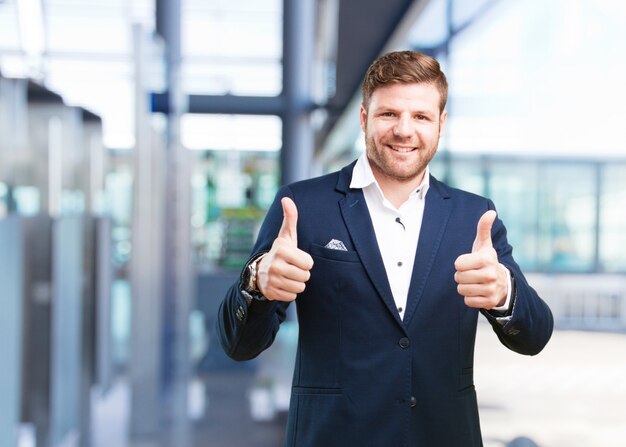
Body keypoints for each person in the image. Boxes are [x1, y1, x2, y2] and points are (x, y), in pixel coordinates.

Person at [217, 50, 553, 446]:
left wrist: (504, 294)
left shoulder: (474, 218)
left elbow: (534, 337)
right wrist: (256, 282)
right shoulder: (303, 206)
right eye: (389, 114)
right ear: (364, 118)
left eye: (421, 117)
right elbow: (238, 345)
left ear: (440, 124)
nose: (404, 130)